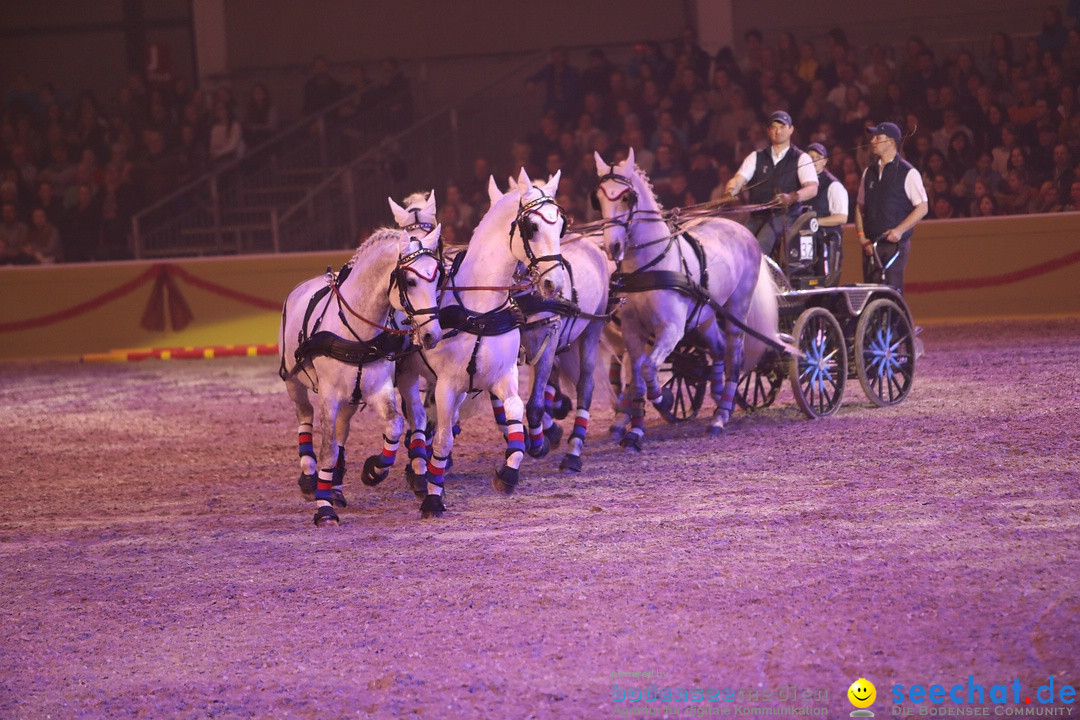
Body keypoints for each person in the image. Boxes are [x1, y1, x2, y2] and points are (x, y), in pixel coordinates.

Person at [723, 110, 818, 256]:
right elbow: (738, 179)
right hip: (758, 215)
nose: (778, 131)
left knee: (760, 246)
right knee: (737, 246)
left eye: (782, 127)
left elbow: (812, 188)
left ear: (791, 129)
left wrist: (791, 197)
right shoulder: (756, 157)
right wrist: (730, 190)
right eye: (774, 127)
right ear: (768, 131)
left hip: (785, 216)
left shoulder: (801, 158)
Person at [855, 122, 928, 293]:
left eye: (877, 138)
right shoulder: (869, 172)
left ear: (890, 142)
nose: (872, 141)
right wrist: (861, 237)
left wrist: (900, 230)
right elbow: (859, 207)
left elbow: (922, 207)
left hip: (893, 245)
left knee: (891, 291)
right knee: (870, 292)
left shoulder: (907, 172)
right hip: (871, 245)